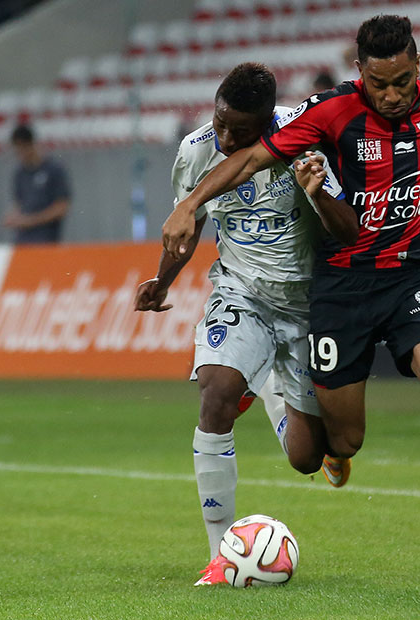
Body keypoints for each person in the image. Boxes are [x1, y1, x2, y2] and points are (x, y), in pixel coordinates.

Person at [162, 15, 420, 570]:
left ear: (418, 66)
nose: (392, 95)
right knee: (331, 447)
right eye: (379, 83)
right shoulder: (328, 112)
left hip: (411, 276)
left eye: (402, 81)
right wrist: (190, 204)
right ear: (360, 72)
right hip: (341, 288)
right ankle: (288, 405)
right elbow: (253, 158)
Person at [135, 62, 356, 586]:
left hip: (307, 305)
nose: (227, 138)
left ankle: (275, 388)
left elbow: (345, 230)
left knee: (305, 458)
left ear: (267, 122)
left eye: (241, 130)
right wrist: (162, 282)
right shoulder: (196, 151)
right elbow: (187, 226)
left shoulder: (304, 140)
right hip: (241, 292)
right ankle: (220, 556)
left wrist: (318, 191)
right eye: (221, 123)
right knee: (216, 394)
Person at [2, 125, 71, 244]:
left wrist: (29, 221)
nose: (20, 154)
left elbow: (61, 207)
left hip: (46, 241)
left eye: (22, 148)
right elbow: (19, 203)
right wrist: (13, 218)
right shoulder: (20, 173)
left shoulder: (53, 170)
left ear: (31, 144)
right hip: (22, 241)